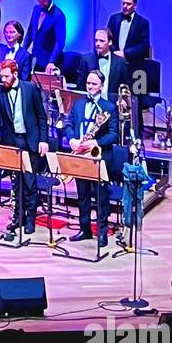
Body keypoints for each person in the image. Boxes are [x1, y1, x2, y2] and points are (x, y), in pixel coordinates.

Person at [0, 58, 49, 240]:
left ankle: (30, 218)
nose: (3, 79)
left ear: (15, 74)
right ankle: (19, 217)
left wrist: (43, 140)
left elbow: (41, 117)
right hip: (12, 141)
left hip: (29, 140)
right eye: (1, 76)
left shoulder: (30, 89)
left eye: (6, 76)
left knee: (30, 182)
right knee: (16, 183)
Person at [66, 70, 118, 248]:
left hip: (98, 157)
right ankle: (84, 228)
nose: (90, 86)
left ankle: (102, 232)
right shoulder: (78, 103)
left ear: (102, 86)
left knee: (101, 197)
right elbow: (69, 124)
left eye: (94, 84)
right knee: (83, 196)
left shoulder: (109, 107)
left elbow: (113, 135)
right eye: (88, 83)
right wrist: (72, 139)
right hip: (81, 155)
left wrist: (95, 142)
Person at [23, 0, 66, 74]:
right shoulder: (36, 9)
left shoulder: (58, 15)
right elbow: (31, 31)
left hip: (49, 60)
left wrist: (51, 62)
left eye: (40, 0)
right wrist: (23, 50)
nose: (38, 2)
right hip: (35, 57)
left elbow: (60, 43)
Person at [76, 28, 129, 98]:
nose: (98, 44)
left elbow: (125, 86)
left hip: (112, 104)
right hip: (91, 102)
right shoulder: (86, 59)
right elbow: (80, 86)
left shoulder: (120, 62)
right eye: (96, 40)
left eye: (101, 41)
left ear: (110, 42)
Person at [108, 0, 151, 69]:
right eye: (123, 3)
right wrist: (115, 53)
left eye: (128, 4)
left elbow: (144, 45)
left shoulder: (143, 23)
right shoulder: (113, 19)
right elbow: (108, 38)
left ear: (135, 5)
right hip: (114, 62)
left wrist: (125, 53)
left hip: (133, 63)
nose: (125, 6)